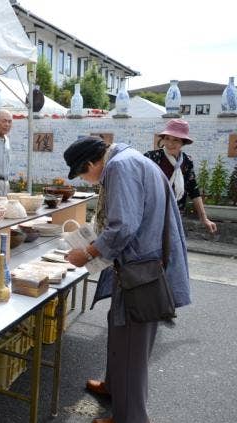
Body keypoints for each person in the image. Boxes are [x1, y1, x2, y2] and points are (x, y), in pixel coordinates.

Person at [63, 137, 191, 423]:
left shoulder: (120, 167)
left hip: (141, 271)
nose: (87, 180)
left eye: (83, 174)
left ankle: (130, 417)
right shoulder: (127, 158)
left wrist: (87, 253)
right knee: (120, 329)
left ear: (90, 164)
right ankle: (114, 387)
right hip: (141, 264)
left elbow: (122, 227)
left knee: (132, 343)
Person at [144, 118, 217, 234]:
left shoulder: (187, 161)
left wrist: (204, 218)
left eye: (176, 140)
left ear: (183, 142)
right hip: (151, 215)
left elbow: (194, 190)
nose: (169, 143)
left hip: (175, 215)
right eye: (167, 138)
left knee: (171, 248)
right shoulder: (151, 157)